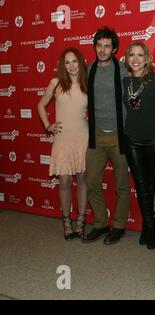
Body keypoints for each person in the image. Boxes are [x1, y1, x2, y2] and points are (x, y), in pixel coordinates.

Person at [83, 27, 130, 245]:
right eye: (99, 45)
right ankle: (101, 223)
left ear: (114, 48)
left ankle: (119, 225)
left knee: (122, 184)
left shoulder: (123, 70)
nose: (102, 50)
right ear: (95, 47)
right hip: (96, 136)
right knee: (92, 182)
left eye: (107, 46)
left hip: (120, 136)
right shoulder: (89, 69)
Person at [37, 47, 88, 240]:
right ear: (63, 65)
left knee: (82, 179)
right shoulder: (56, 83)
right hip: (63, 139)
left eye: (74, 61)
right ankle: (66, 220)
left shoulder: (86, 83)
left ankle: (81, 220)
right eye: (67, 62)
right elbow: (41, 105)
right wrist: (48, 125)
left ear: (80, 63)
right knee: (65, 181)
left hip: (83, 137)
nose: (72, 65)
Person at [123, 42, 155, 249]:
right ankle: (148, 226)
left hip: (154, 138)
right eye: (132, 55)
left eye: (140, 55)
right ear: (127, 59)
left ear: (147, 58)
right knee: (140, 184)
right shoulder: (124, 82)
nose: (136, 59)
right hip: (131, 137)